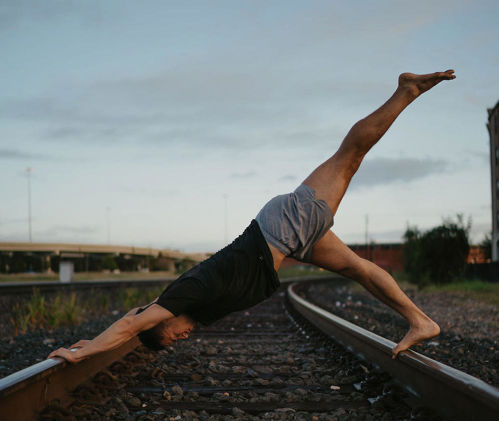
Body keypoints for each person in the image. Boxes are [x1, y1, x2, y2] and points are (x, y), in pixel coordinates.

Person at [48, 70, 455, 364]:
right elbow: (132, 321)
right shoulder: (190, 304)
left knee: (349, 157)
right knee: (361, 270)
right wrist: (92, 343)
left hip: (279, 231)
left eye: (172, 337)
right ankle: (419, 321)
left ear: (163, 323)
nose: (182, 337)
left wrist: (81, 353)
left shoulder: (183, 298)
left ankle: (404, 92)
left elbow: (131, 324)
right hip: (286, 238)